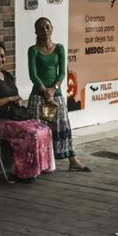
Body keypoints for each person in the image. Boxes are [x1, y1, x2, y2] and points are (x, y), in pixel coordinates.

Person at [0, 42, 54, 182]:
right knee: (30, 133)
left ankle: (38, 168)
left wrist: (18, 100)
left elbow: (15, 95)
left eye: (2, 56)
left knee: (45, 129)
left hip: (14, 115)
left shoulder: (7, 75)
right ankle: (23, 172)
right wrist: (8, 99)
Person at [27, 17, 90, 171]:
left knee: (62, 125)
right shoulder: (33, 50)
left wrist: (53, 89)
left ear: (52, 28)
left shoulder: (59, 48)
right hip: (38, 95)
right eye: (41, 28)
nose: (45, 31)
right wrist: (45, 91)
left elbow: (62, 72)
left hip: (56, 94)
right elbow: (33, 75)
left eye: (48, 27)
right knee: (38, 129)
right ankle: (37, 162)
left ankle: (72, 160)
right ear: (36, 31)